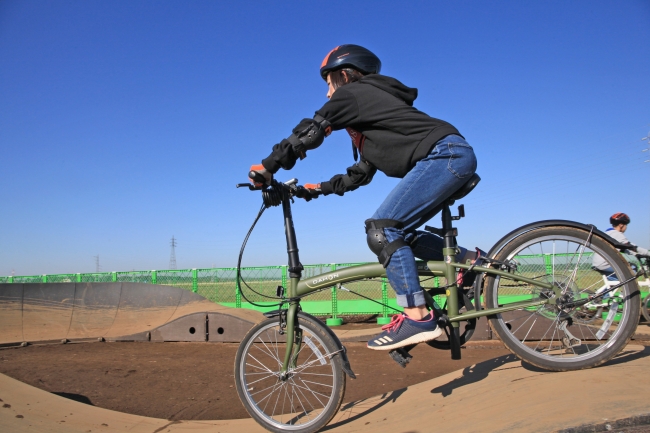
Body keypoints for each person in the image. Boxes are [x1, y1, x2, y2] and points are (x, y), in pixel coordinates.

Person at [249, 44, 480, 351]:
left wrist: (267, 167)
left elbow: (310, 131)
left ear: (344, 75)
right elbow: (358, 175)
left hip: (444, 156)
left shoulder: (354, 94)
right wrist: (311, 189)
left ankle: (417, 316)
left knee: (382, 229)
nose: (328, 93)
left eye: (329, 83)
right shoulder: (374, 117)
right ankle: (472, 263)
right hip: (448, 156)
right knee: (401, 237)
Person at [593, 212, 649, 277]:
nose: (626, 227)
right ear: (621, 225)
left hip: (599, 263)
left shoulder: (608, 233)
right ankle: (630, 287)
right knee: (633, 269)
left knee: (614, 284)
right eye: (626, 225)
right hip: (605, 264)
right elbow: (631, 247)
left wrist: (635, 254)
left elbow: (624, 249)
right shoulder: (617, 234)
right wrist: (647, 253)